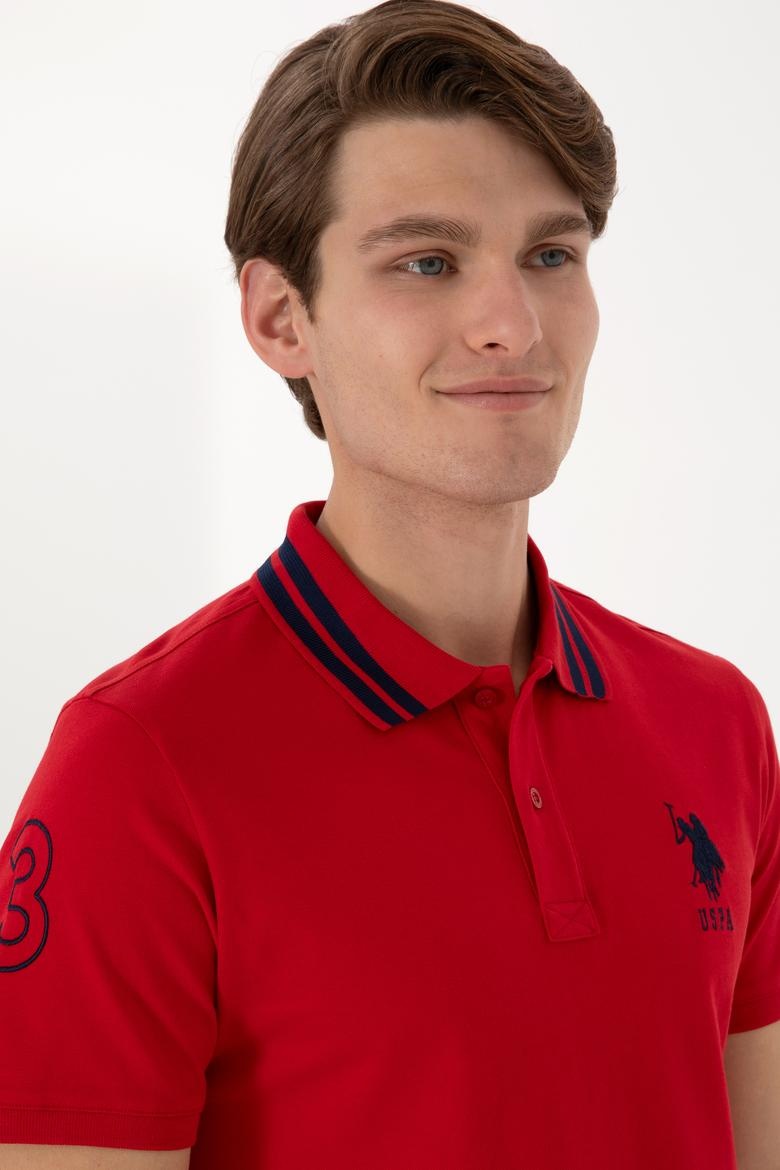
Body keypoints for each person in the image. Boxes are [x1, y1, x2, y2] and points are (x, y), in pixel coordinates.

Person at [1, 2, 778, 1167]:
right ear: (282, 319)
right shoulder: (139, 766)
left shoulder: (716, 722)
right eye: (427, 262)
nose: (513, 324)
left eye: (551, 255)